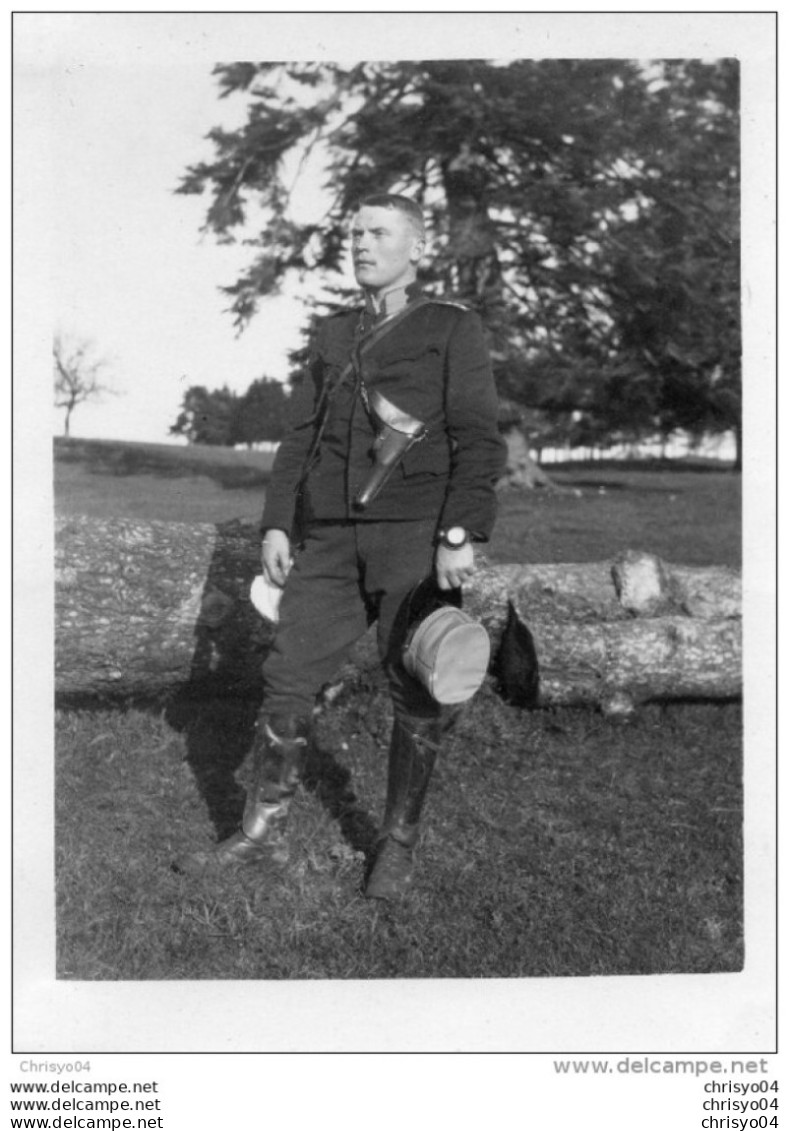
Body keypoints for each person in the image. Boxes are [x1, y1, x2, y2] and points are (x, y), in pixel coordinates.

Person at [186, 193, 506, 898]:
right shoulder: (333, 334)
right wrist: (278, 522)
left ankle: (395, 845)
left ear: (416, 248)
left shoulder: (451, 328)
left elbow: (478, 436)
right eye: (354, 231)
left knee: (415, 685)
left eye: (378, 232)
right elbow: (300, 436)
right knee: (286, 678)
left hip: (412, 536)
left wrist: (457, 532)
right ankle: (256, 833)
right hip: (327, 539)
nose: (360, 243)